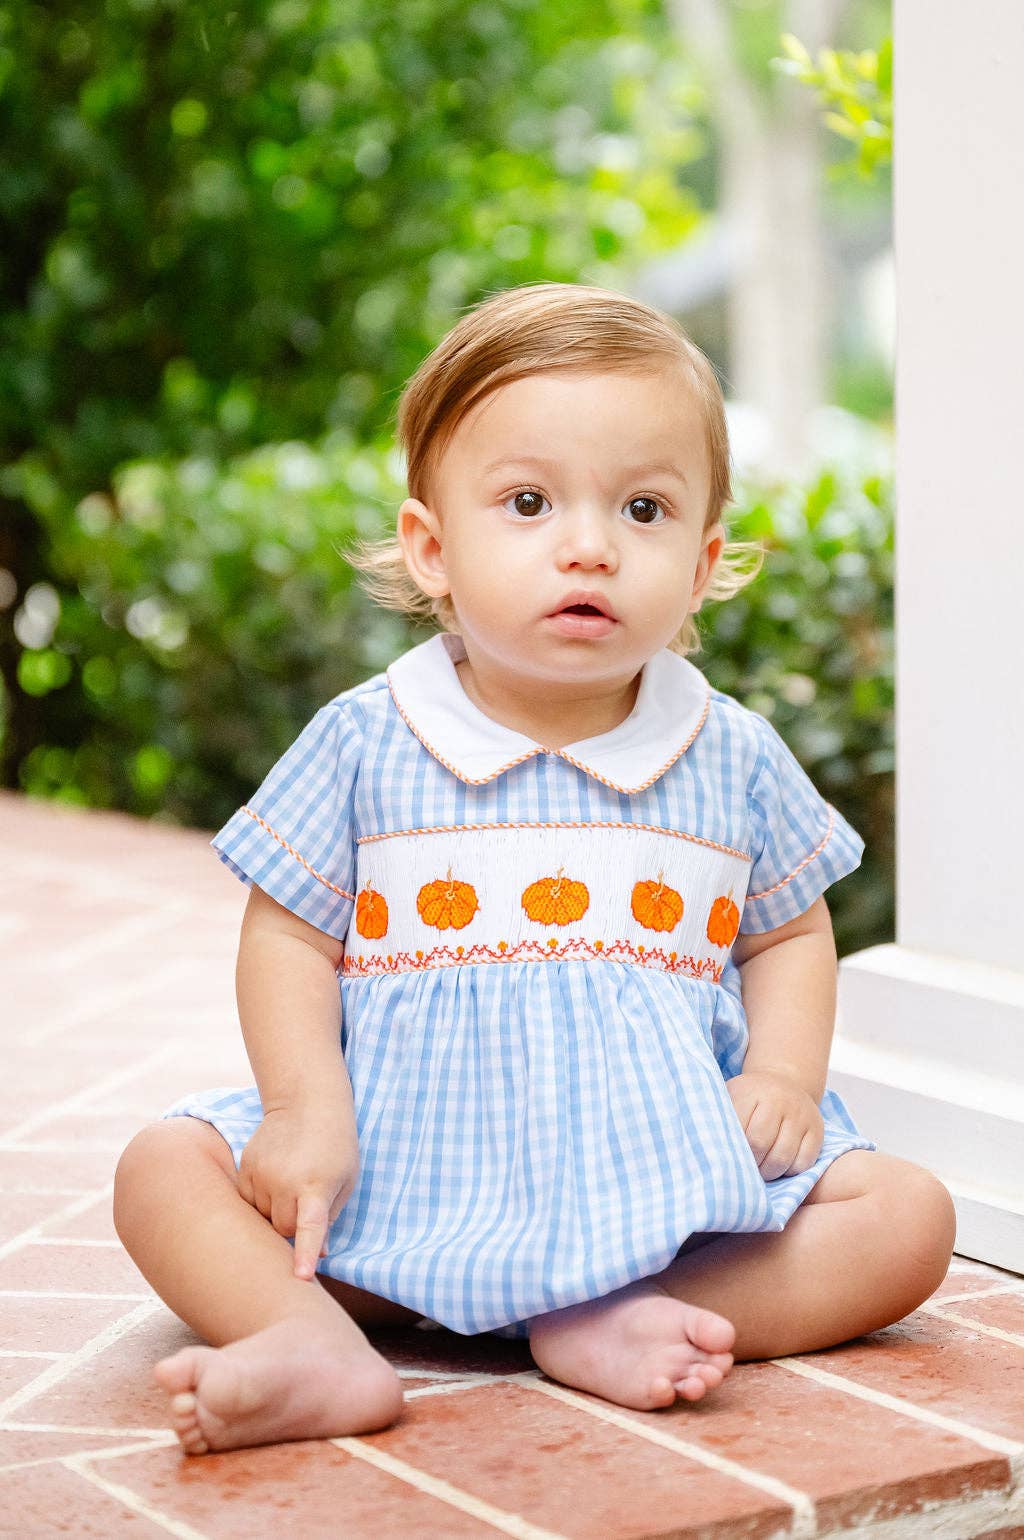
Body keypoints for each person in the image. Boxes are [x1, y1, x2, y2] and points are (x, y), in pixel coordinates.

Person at [113, 282, 956, 1457]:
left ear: (703, 561)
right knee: (165, 1167)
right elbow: (290, 929)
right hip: (401, 1184)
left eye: (644, 509)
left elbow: (787, 931)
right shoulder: (367, 738)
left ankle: (611, 1308)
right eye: (527, 502)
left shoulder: (729, 754)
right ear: (432, 547)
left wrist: (781, 1074)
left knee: (908, 1216)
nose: (590, 545)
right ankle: (306, 1339)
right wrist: (305, 1112)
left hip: (653, 1193)